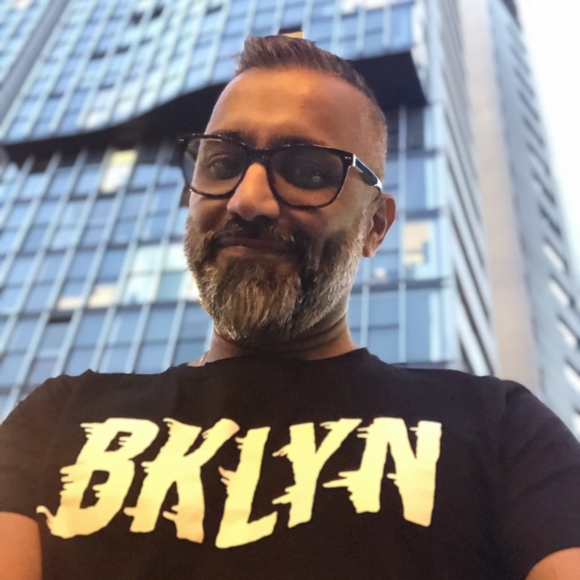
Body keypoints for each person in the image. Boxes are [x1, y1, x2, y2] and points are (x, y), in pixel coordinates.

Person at [1, 35, 579, 580]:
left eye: (306, 171)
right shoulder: (57, 419)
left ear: (375, 226)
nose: (248, 201)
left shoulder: (502, 430)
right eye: (222, 164)